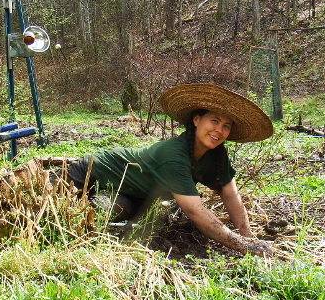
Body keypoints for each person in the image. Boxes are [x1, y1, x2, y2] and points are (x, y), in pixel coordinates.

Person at [63, 83, 274, 257]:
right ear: (197, 120)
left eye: (226, 126)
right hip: (91, 171)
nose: (219, 130)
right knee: (51, 212)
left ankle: (99, 202)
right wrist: (242, 246)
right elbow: (195, 210)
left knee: (113, 210)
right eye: (214, 121)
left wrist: (248, 237)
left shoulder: (216, 154)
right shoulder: (173, 154)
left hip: (130, 192)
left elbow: (231, 195)